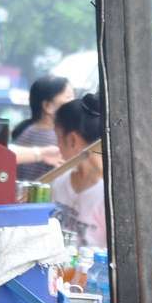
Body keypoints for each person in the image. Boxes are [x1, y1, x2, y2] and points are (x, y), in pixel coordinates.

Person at [51, 93, 106, 249]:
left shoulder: (108, 194)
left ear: (72, 140)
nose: (57, 146)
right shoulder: (59, 182)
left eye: (58, 137)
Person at [13, 75, 74, 180]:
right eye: (68, 97)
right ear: (48, 106)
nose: (74, 102)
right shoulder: (55, 138)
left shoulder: (27, 131)